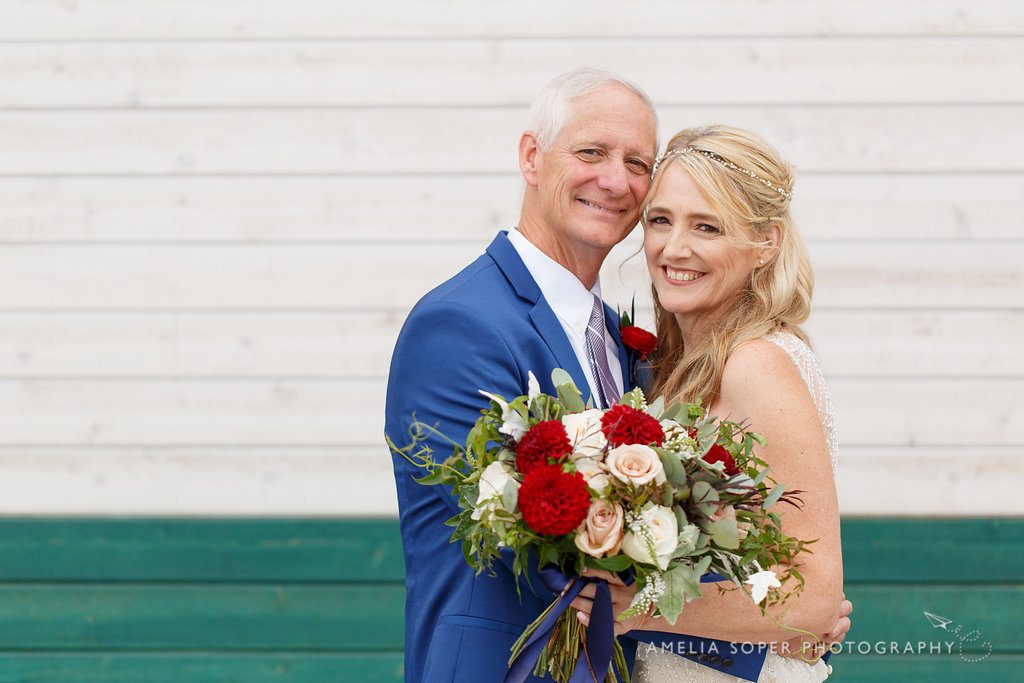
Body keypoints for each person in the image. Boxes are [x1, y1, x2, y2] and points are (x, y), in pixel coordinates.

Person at [385, 69, 850, 682]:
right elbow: (510, 534)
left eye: (636, 162)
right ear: (531, 156)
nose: (614, 179)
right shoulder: (460, 324)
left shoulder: (640, 352)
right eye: (591, 152)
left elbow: (685, 541)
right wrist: (777, 613)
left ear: (763, 244)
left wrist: (785, 612)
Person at [572, 125, 846, 682]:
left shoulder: (756, 364)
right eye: (661, 220)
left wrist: (638, 607)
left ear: (765, 242)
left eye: (707, 227)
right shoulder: (683, 365)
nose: (674, 248)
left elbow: (814, 597)